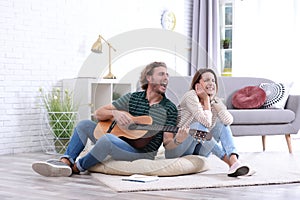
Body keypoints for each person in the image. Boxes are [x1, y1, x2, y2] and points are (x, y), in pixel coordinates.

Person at [32, 61, 179, 177]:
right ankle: (65, 161)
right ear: (149, 77)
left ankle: (77, 167)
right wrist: (115, 114)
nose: (166, 78)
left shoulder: (170, 108)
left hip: (141, 152)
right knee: (84, 125)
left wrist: (180, 139)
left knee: (107, 140)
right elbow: (98, 113)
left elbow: (167, 141)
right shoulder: (133, 98)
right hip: (120, 140)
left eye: (167, 75)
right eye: (161, 74)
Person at [164, 68, 251, 177]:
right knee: (198, 126)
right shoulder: (191, 96)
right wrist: (205, 100)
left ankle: (234, 161)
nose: (211, 83)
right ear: (197, 85)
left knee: (221, 125)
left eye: (213, 80)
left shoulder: (215, 101)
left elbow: (228, 121)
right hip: (178, 148)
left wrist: (216, 104)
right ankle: (229, 163)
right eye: (206, 80)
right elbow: (205, 123)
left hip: (197, 150)